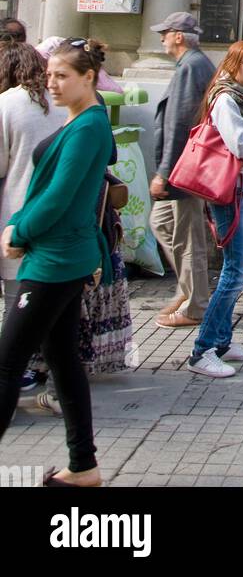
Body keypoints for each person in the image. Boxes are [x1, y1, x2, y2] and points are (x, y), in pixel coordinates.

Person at [0, 38, 114, 487]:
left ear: (89, 78)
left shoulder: (88, 126)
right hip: (60, 255)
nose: (53, 82)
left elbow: (61, 195)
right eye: (50, 75)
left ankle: (84, 464)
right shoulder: (78, 121)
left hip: (56, 258)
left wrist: (20, 231)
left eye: (63, 75)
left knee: (7, 364)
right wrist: (20, 225)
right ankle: (83, 466)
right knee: (63, 360)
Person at [187, 42, 243, 379]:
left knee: (237, 271)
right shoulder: (226, 99)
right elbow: (242, 145)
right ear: (233, 64)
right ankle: (203, 349)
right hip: (232, 193)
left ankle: (222, 341)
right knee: (235, 272)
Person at [0, 42, 66, 405]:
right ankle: (42, 373)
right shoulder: (64, 104)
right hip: (55, 221)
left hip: (15, 212)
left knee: (16, 300)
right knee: (44, 307)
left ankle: (16, 369)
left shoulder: (7, 103)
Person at [148, 12, 215, 329]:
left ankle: (196, 305)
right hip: (184, 168)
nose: (161, 38)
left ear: (178, 36)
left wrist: (164, 171)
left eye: (165, 32)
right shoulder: (192, 65)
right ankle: (187, 290)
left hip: (184, 170)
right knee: (161, 223)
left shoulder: (192, 67)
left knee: (189, 239)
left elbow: (180, 124)